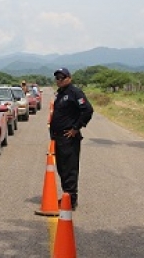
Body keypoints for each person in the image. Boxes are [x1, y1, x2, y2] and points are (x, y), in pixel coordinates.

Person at [49, 67, 94, 211]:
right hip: (59, 138)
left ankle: (71, 200)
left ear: (69, 78)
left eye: (62, 77)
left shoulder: (75, 92)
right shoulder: (61, 94)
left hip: (68, 138)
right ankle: (67, 196)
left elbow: (87, 110)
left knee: (69, 169)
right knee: (62, 169)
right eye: (57, 78)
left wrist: (76, 128)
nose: (59, 80)